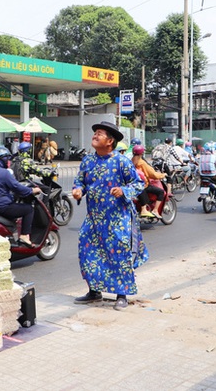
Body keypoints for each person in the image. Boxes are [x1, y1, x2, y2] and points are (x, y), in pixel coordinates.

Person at [72, 121, 148, 311]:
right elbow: (79, 181)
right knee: (88, 252)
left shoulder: (121, 161)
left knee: (118, 255)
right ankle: (94, 291)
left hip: (117, 218)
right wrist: (78, 190)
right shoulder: (88, 161)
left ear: (110, 141)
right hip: (94, 218)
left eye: (100, 133)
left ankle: (121, 294)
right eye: (95, 133)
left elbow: (138, 184)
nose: (95, 136)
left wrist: (123, 190)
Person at [0, 146, 42, 248]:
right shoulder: (4, 173)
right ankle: (24, 236)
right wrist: (32, 190)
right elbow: (17, 187)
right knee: (28, 209)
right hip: (1, 207)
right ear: (3, 159)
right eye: (7, 159)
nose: (9, 161)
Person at [131, 145, 167, 219]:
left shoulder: (131, 161)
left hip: (132, 185)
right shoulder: (142, 163)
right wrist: (163, 175)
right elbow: (152, 174)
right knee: (161, 192)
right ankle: (155, 210)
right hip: (143, 185)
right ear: (142, 153)